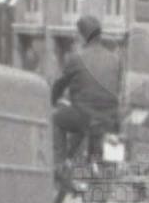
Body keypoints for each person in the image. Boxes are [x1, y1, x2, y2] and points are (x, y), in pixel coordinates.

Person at [52, 14, 124, 165]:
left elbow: (59, 85)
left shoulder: (76, 58)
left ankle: (60, 165)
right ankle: (113, 168)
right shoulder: (115, 60)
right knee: (112, 157)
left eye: (77, 35)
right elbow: (116, 88)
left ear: (82, 36)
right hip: (111, 119)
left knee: (56, 119)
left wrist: (52, 101)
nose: (75, 38)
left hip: (85, 117)